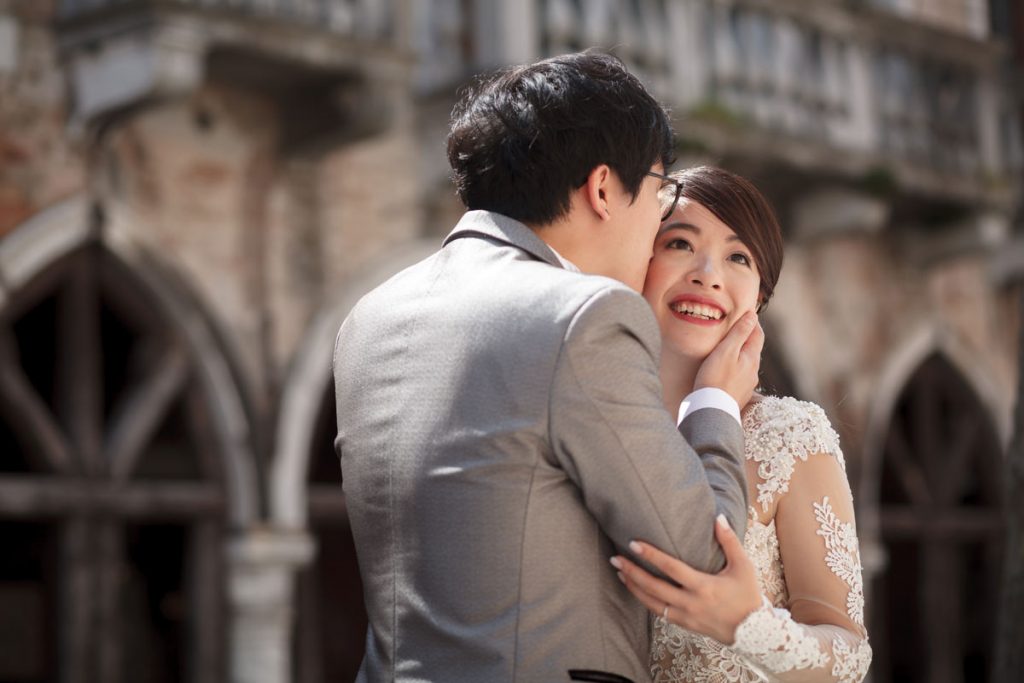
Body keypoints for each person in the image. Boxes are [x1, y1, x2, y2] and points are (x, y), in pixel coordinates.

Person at [332, 52, 763, 682]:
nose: (658, 221)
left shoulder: (369, 317)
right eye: (660, 191)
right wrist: (715, 402)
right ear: (603, 189)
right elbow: (704, 554)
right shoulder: (583, 316)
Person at [612, 166, 872, 682]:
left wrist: (747, 626)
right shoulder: (588, 416)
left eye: (739, 257)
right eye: (680, 243)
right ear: (638, 261)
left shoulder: (791, 437)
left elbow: (849, 656)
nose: (708, 274)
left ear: (759, 298)